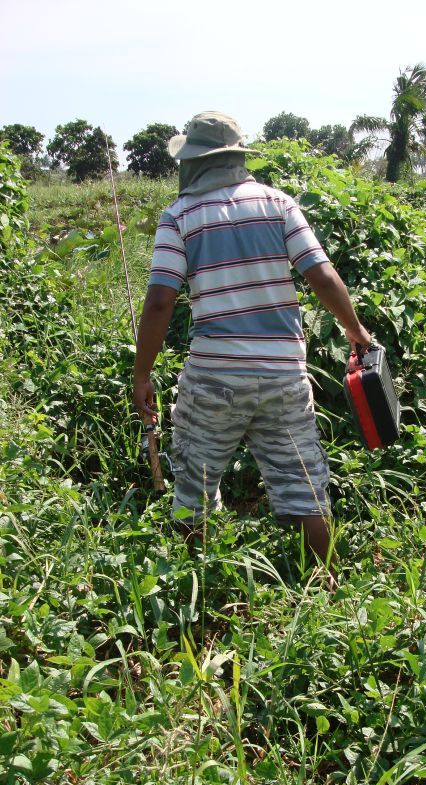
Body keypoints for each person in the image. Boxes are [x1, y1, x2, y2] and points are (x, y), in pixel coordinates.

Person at [133, 111, 371, 575]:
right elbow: (320, 275)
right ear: (238, 156)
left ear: (194, 161)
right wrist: (355, 330)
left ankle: (195, 592)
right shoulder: (279, 204)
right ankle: (328, 589)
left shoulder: (179, 216)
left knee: (194, 485)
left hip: (213, 376)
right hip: (284, 374)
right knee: (303, 485)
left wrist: (142, 374)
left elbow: (161, 300)